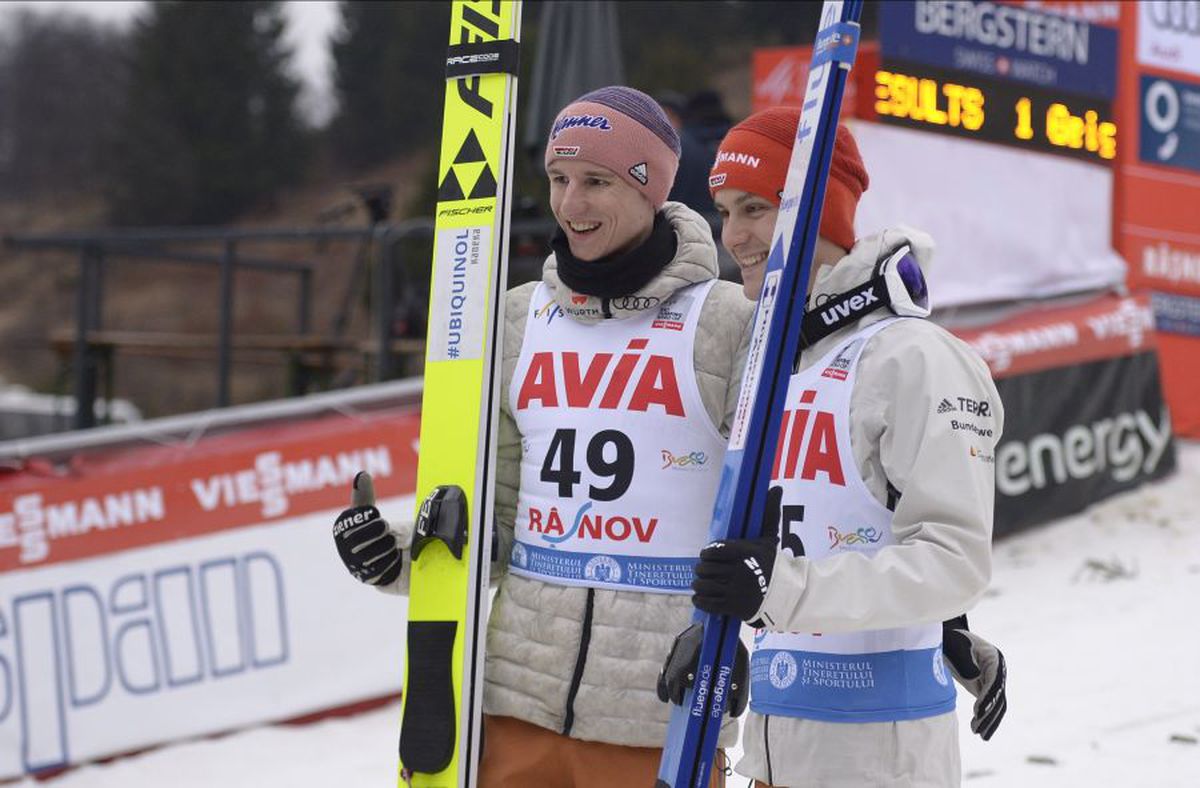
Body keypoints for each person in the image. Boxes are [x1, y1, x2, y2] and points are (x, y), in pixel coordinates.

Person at [333, 86, 755, 787]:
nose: (570, 203)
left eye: (596, 181)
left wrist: (752, 628)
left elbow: (776, 521)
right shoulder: (519, 319)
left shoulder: (728, 321)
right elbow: (497, 527)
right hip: (513, 709)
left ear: (649, 187)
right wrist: (397, 554)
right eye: (559, 179)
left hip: (657, 719)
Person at [684, 108, 1008, 786]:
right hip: (776, 745)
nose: (733, 236)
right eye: (724, 212)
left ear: (817, 214)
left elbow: (954, 561)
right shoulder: (775, 364)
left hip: (876, 759)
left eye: (755, 209)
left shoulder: (914, 358)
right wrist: (725, 634)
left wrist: (779, 589)